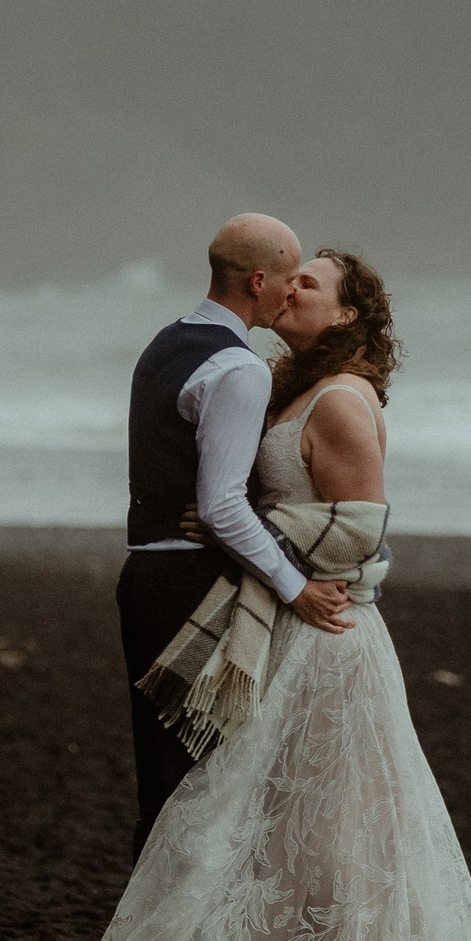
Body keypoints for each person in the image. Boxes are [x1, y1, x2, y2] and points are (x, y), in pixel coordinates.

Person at [84, 245, 471, 941]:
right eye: (290, 277)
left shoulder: (343, 402)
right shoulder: (290, 387)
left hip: (329, 632)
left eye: (311, 283)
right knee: (285, 809)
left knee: (335, 817)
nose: (292, 289)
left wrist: (237, 527)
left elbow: (358, 535)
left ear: (347, 314)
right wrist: (233, 522)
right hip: (290, 627)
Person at [113, 213, 356, 861]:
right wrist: (297, 587)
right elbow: (221, 507)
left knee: (163, 785)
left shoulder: (165, 343)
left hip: (144, 577)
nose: (292, 291)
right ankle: (173, 925)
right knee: (198, 790)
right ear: (257, 282)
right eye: (289, 278)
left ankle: (153, 921)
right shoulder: (240, 369)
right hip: (189, 586)